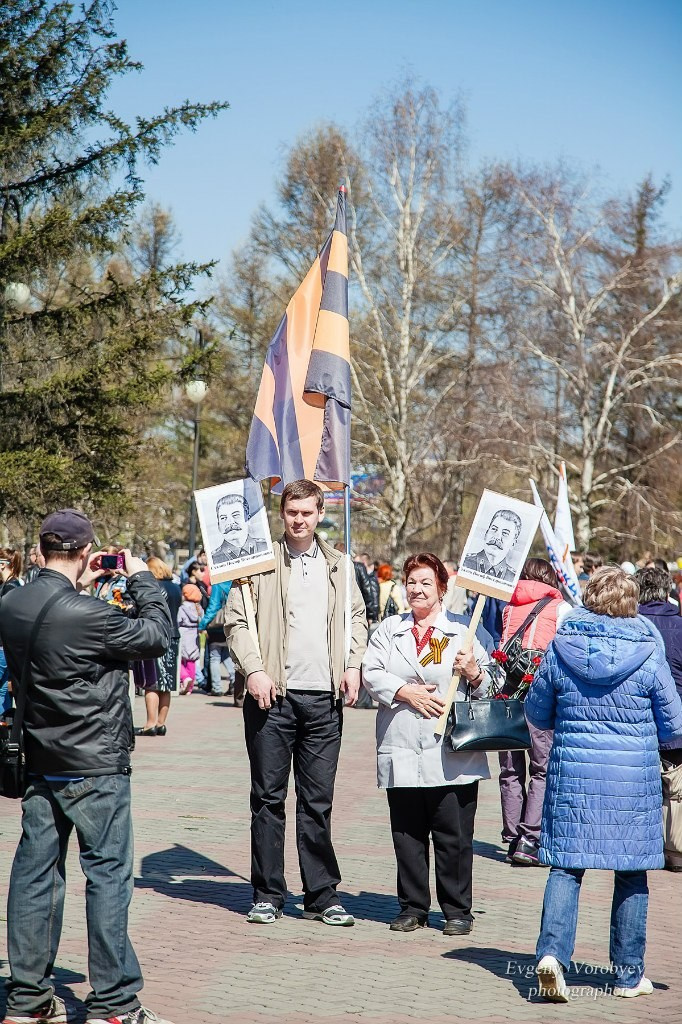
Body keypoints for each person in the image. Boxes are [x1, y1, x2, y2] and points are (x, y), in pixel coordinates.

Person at [0, 508, 173, 1024]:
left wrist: (80, 584)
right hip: (94, 761)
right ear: (84, 551)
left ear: (40, 550)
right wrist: (140, 576)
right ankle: (113, 1003)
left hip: (39, 757)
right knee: (108, 876)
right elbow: (155, 635)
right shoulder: (89, 614)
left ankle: (27, 999)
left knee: (34, 876)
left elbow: (60, 620)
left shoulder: (12, 602)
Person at [524, 566, 682, 1002]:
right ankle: (629, 976)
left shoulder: (562, 645)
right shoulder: (648, 651)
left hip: (574, 776)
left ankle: (552, 957)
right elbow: (674, 722)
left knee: (566, 867)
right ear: (631, 601)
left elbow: (536, 712)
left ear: (590, 597)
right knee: (631, 875)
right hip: (632, 783)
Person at [225, 478, 367, 926]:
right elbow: (236, 621)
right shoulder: (257, 564)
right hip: (273, 699)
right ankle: (267, 892)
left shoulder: (340, 566)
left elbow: (357, 619)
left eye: (307, 512)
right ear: (281, 513)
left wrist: (352, 663)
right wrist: (254, 669)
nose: (299, 520)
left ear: (320, 513)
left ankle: (322, 894)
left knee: (317, 801)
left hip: (324, 702)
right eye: (292, 512)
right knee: (268, 799)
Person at [362, 552, 493, 935]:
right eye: (411, 582)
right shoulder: (389, 629)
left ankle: (456, 910)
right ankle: (413, 907)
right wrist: (405, 692)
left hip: (449, 752)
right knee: (407, 834)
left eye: (425, 583)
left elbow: (493, 685)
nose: (417, 590)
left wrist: (474, 672)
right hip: (401, 743)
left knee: (453, 837)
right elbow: (372, 673)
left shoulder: (464, 632)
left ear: (441, 588)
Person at [495, 558, 572, 866]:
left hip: (508, 696)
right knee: (542, 769)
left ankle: (512, 834)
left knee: (510, 770)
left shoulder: (509, 607)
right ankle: (530, 838)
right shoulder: (560, 608)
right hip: (541, 698)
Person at [636, 565, 682, 870]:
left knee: (641, 784)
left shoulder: (631, 625)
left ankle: (644, 844)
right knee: (675, 788)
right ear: (667, 590)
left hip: (637, 720)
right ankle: (675, 849)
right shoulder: (680, 624)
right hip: (677, 718)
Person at [135, 557, 181, 736]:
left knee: (152, 682)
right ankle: (161, 723)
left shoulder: (156, 588)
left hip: (157, 635)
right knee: (167, 682)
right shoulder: (175, 587)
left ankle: (150, 723)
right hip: (173, 635)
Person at [198, 580, 236, 700]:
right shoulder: (234, 583)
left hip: (216, 627)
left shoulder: (218, 584)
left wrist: (202, 624)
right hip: (230, 624)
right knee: (227, 656)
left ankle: (217, 688)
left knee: (215, 657)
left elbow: (213, 607)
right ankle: (234, 682)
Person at [462, 509, 522, 583]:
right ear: (486, 534)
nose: (497, 537)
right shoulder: (465, 563)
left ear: (513, 544)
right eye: (494, 529)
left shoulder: (513, 579)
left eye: (505, 533)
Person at [211, 493, 268, 566]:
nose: (230, 522)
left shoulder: (266, 547)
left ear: (248, 519)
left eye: (235, 515)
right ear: (218, 525)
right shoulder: (213, 560)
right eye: (223, 518)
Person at [178, 583, 202, 694]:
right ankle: (190, 687)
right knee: (192, 661)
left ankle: (184, 677)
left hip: (183, 633)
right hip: (194, 634)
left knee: (180, 659)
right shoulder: (198, 608)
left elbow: (178, 620)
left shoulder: (182, 607)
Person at [354, 551, 379, 625]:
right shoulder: (366, 575)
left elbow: (372, 594)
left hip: (365, 614)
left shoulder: (370, 577)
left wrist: (371, 615)